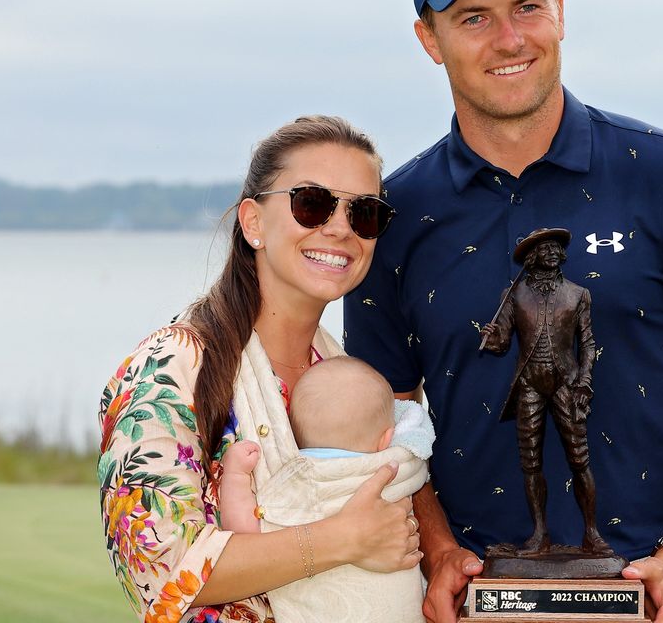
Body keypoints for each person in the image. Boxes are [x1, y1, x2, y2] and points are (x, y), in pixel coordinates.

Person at [344, 0, 663, 623]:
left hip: (660, 591)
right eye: (474, 17)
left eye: (527, 7)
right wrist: (439, 547)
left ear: (562, 13)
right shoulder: (396, 213)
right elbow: (384, 415)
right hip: (474, 596)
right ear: (430, 38)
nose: (509, 39)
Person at [99, 116, 424, 623]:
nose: (339, 228)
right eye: (312, 203)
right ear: (253, 222)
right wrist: (342, 540)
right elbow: (160, 572)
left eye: (364, 214)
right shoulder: (170, 368)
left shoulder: (343, 375)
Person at [215, 356, 436, 623]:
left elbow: (245, 533)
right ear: (386, 439)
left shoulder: (296, 481)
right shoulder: (399, 470)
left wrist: (236, 476)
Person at [478, 228, 610, 557]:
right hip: (529, 384)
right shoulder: (514, 295)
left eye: (555, 247)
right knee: (531, 462)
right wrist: (492, 337)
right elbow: (502, 343)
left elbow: (589, 344)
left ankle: (592, 534)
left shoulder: (579, 294)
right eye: (545, 248)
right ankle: (540, 535)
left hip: (567, 382)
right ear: (532, 256)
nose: (552, 252)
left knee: (580, 459)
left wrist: (584, 382)